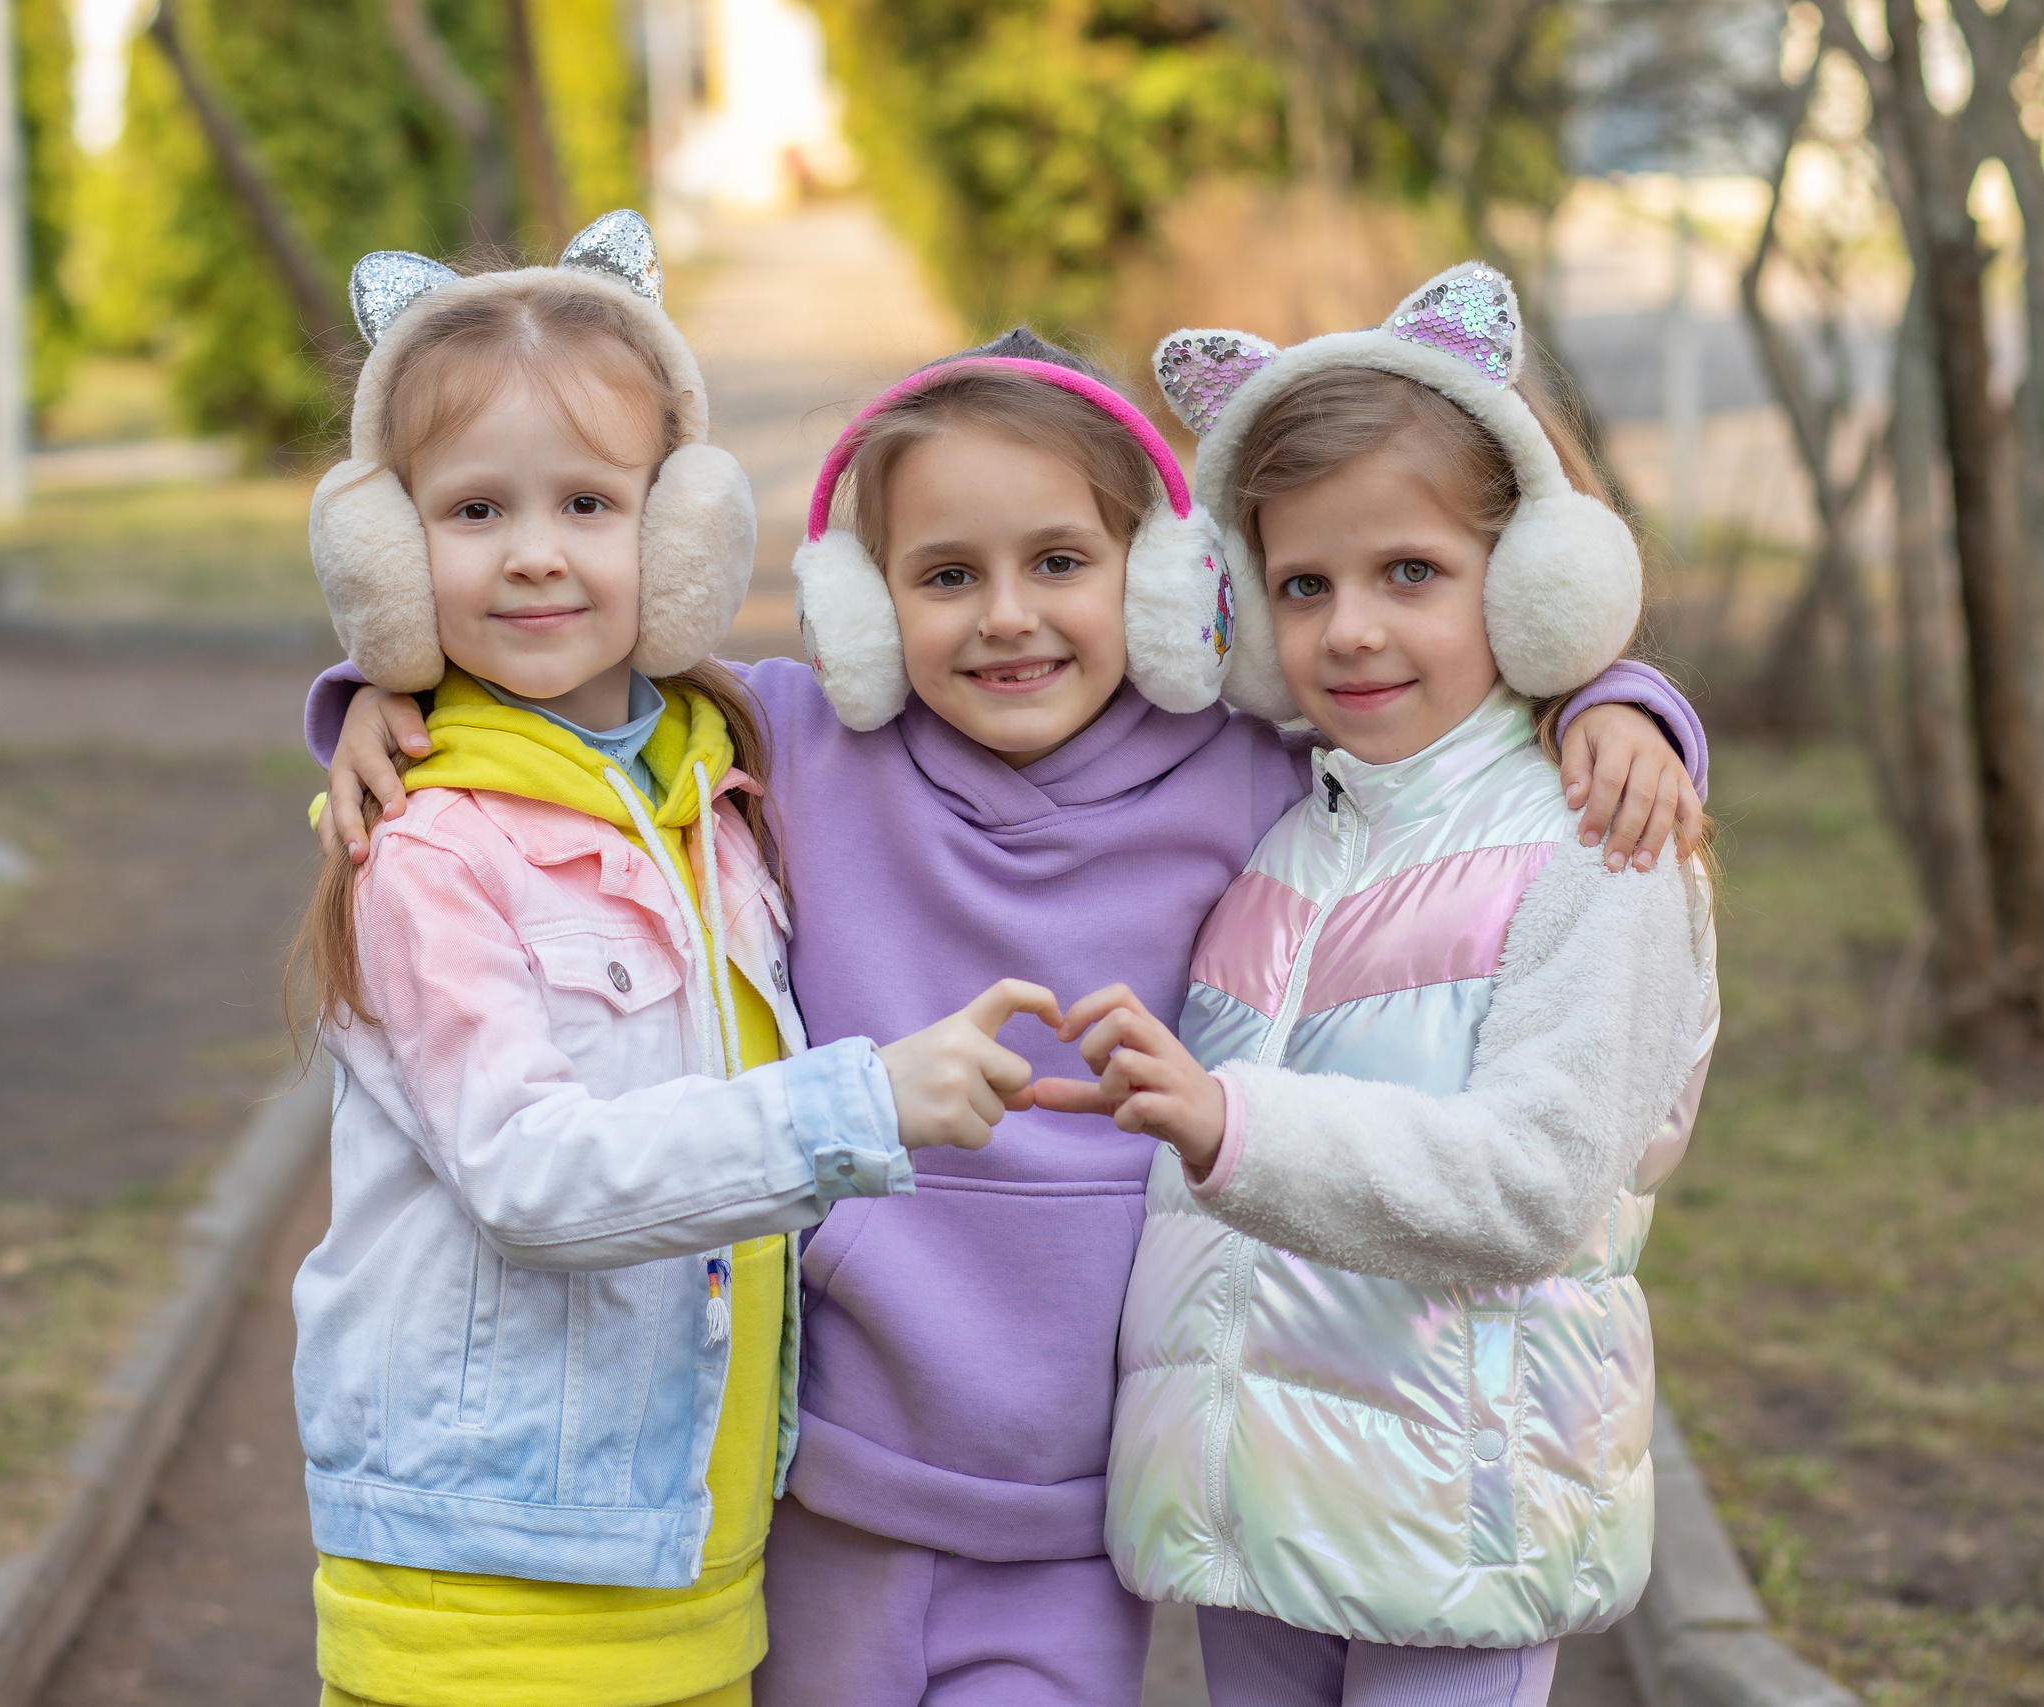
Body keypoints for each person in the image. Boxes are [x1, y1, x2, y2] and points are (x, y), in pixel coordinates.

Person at [309, 320, 1711, 1705]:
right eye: (944, 575)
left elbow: (1423, 754)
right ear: (863, 609)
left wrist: (1617, 698)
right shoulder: (801, 741)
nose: (1006, 616)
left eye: (1058, 563)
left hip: (1082, 1503)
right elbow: (570, 707)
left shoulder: (1241, 778)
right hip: (834, 1474)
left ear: (1163, 584)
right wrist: (384, 696)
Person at [287, 211, 1058, 1707]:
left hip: (692, 1569)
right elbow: (533, 1175)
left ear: (681, 529)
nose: (532, 559)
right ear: (387, 553)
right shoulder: (432, 851)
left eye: (588, 503)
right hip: (488, 1593)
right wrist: (860, 1104)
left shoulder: (720, 781)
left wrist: (1609, 697)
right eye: (471, 514)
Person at [1034, 264, 1721, 1707]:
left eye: (1410, 572)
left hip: (1454, 1531)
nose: (1350, 628)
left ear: (1535, 582)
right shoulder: (1285, 836)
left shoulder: (1598, 848)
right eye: (1303, 585)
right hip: (1252, 1513)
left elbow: (1533, 1186)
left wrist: (1234, 1128)